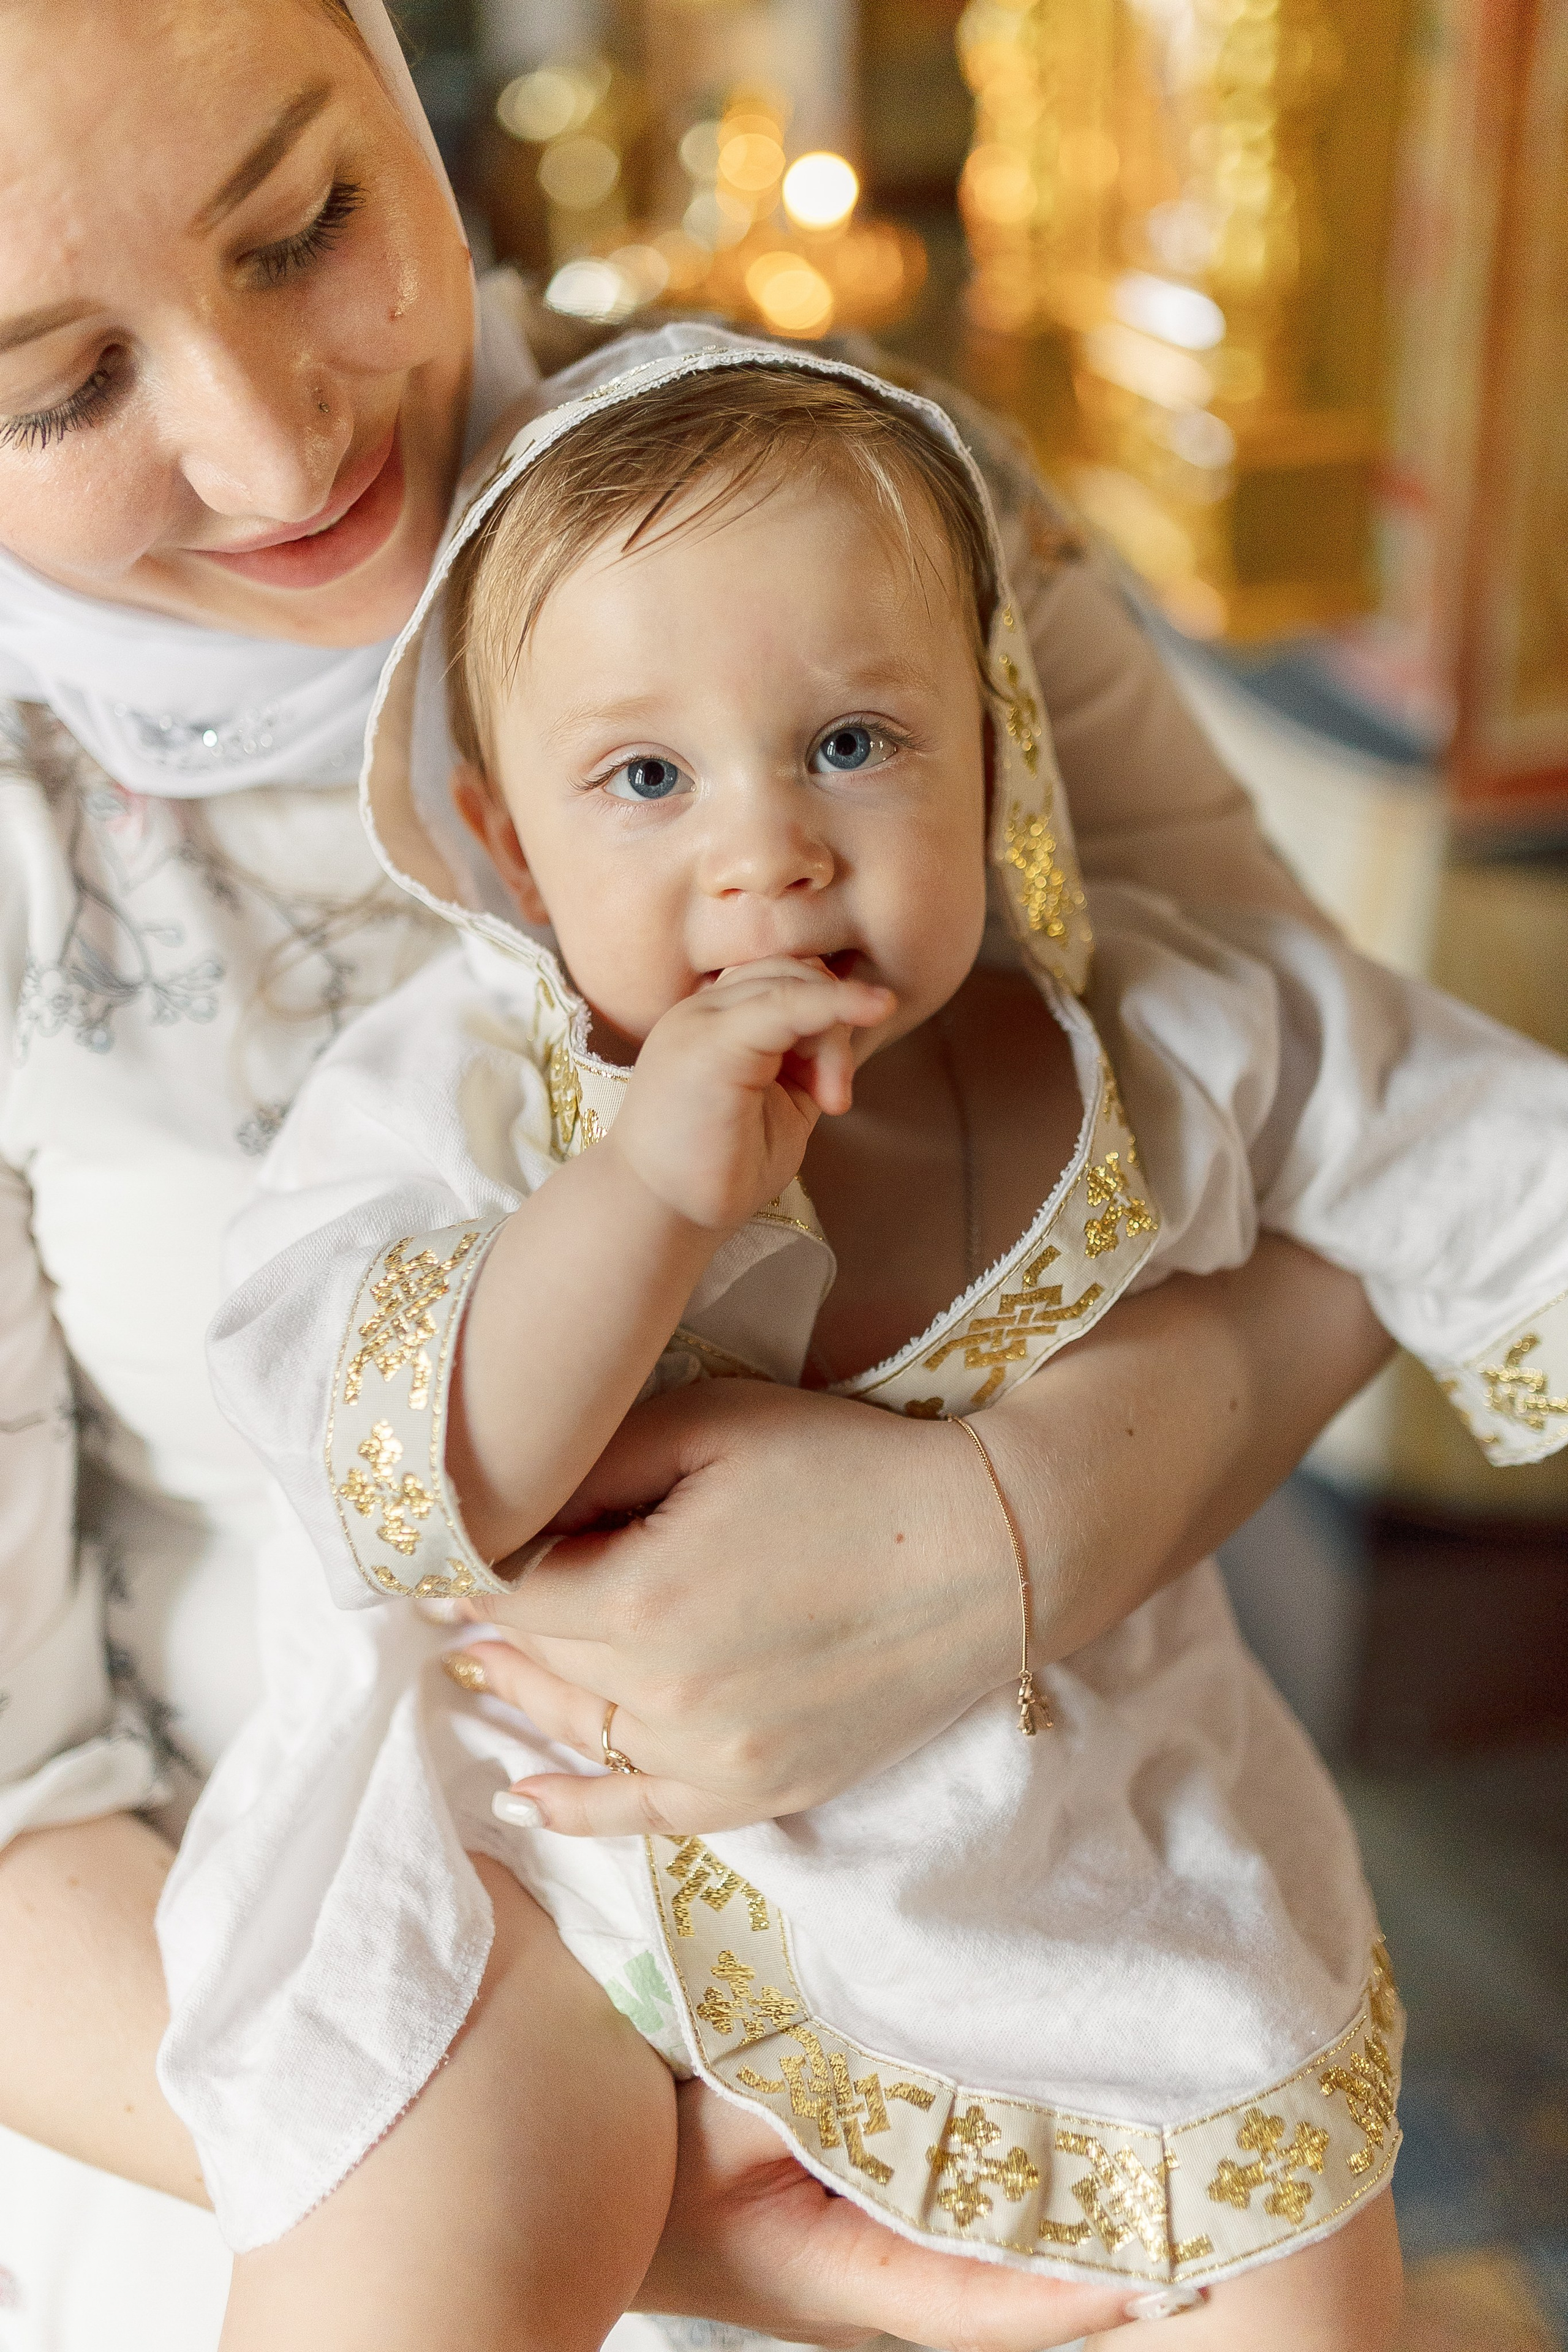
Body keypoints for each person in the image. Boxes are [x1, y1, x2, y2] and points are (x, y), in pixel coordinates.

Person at [0, 1, 1477, 2343]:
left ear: (405, 80)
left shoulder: (856, 493)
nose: (274, 437)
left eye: (307, 225)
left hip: (1026, 1847)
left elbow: (1325, 1119)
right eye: (59, 389)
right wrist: (714, 2190)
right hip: (342, 2043)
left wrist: (1021, 1526)